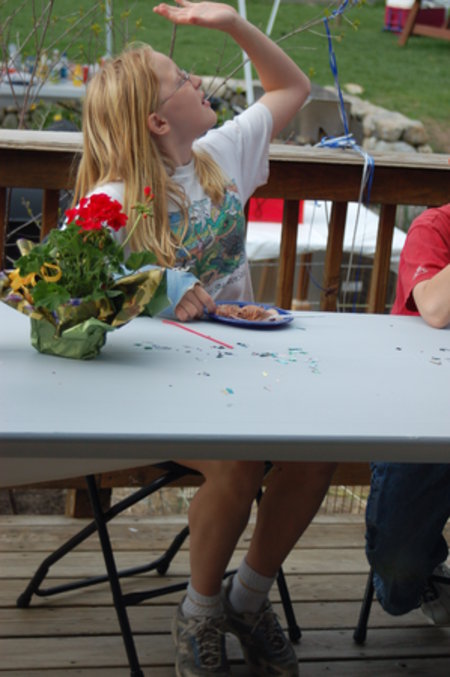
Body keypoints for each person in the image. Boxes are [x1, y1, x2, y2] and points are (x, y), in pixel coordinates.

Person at [72, 2, 336, 675]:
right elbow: (62, 305)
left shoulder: (220, 157)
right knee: (241, 461)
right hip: (150, 390)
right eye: (181, 79)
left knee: (318, 451)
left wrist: (233, 26)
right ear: (158, 121)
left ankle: (246, 598)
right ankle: (199, 611)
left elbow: (292, 88)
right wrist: (150, 288)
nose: (197, 81)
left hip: (241, 375)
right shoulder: (108, 203)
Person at [366, 203, 450, 624]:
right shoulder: (434, 228)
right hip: (423, 412)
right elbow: (435, 309)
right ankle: (426, 569)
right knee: (399, 583)